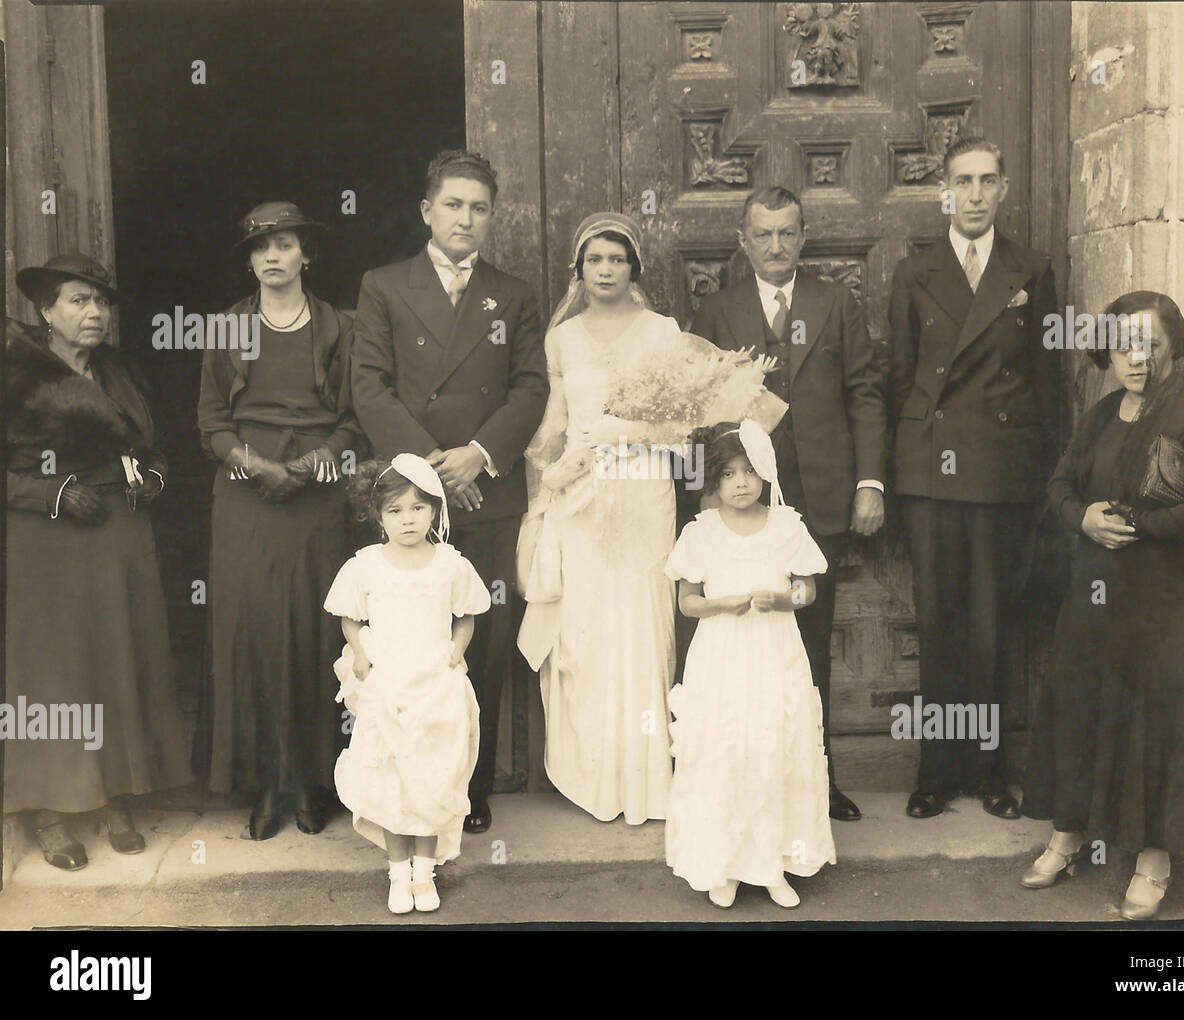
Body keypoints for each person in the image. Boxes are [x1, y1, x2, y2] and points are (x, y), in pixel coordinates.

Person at [1019, 291, 1184, 920]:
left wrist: (1146, 525)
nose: (1137, 358)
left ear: (1173, 349)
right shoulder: (1102, 415)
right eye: (1126, 344)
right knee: (1081, 703)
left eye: (1150, 344)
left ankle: (1155, 859)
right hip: (1096, 594)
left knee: (1159, 720)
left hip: (1172, 602)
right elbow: (1060, 485)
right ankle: (1069, 834)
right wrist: (1083, 517)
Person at [351, 150, 548, 834]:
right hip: (412, 497)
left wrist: (479, 454)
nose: (466, 218)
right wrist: (431, 471)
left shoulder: (514, 292)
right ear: (427, 210)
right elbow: (368, 386)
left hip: (487, 491)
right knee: (409, 637)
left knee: (480, 641)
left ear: (491, 217)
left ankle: (472, 783)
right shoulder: (384, 284)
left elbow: (531, 388)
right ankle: (403, 781)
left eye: (479, 207)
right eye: (454, 204)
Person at [689, 186, 888, 822]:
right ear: (743, 240)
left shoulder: (837, 303)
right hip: (744, 504)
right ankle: (745, 788)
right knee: (742, 648)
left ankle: (815, 781)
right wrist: (714, 493)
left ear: (804, 238)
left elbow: (864, 393)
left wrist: (868, 482)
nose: (775, 246)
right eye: (762, 234)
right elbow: (701, 410)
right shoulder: (717, 310)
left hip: (822, 498)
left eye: (787, 233)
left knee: (807, 644)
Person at [886, 137, 1061, 821]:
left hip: (1000, 473)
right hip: (932, 472)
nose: (978, 194)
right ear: (945, 192)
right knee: (939, 626)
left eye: (990, 180)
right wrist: (899, 472)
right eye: (965, 181)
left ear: (1006, 188)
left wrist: (1049, 483)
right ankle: (936, 772)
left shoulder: (1032, 269)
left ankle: (990, 773)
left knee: (992, 628)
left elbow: (1048, 386)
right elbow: (900, 376)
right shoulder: (914, 271)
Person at [6, 253, 192, 869]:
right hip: (47, 539)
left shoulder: (120, 373)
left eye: (101, 302)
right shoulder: (16, 371)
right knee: (54, 672)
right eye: (78, 301)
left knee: (116, 662)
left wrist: (155, 479)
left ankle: (114, 794)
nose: (93, 313)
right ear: (46, 311)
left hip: (120, 537)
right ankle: (51, 811)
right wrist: (50, 491)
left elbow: (156, 447)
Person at [196, 201, 362, 839]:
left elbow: (355, 412)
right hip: (246, 491)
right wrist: (253, 463)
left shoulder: (338, 327)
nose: (272, 255)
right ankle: (270, 781)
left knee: (317, 633)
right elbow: (211, 421)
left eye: (284, 244)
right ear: (249, 259)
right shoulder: (226, 329)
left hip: (318, 493)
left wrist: (327, 452)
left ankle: (316, 781)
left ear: (305, 255)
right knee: (257, 633)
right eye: (260, 246)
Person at [516, 212, 683, 824]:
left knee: (640, 624)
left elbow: (683, 430)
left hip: (642, 496)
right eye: (594, 260)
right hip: (582, 501)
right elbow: (553, 427)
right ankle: (593, 777)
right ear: (579, 271)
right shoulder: (561, 340)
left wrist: (625, 431)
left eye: (616, 259)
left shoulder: (663, 332)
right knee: (587, 632)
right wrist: (551, 481)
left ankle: (644, 781)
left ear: (633, 268)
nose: (605, 270)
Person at [665, 420, 835, 909]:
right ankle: (726, 864)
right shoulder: (701, 532)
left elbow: (808, 588)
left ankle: (775, 864)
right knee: (727, 748)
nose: (741, 483)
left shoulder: (787, 525)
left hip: (774, 651)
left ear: (765, 475)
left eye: (750, 473)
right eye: (728, 475)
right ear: (712, 482)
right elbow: (687, 603)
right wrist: (723, 604)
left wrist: (783, 600)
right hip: (721, 655)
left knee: (773, 744)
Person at [326, 454, 491, 913]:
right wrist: (360, 653)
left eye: (418, 509)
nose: (407, 520)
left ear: (436, 511)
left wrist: (456, 650)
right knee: (392, 778)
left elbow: (467, 615)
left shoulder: (449, 564)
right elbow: (349, 618)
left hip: (435, 683)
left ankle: (425, 869)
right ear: (377, 515)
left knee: (432, 775)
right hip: (389, 682)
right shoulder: (367, 566)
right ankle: (399, 872)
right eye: (395, 511)